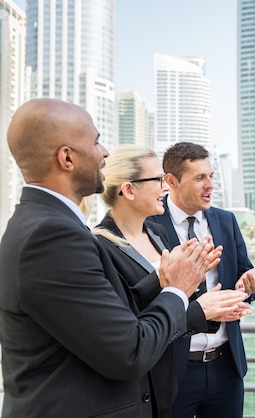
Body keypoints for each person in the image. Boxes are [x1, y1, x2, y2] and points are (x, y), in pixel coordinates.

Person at [0, 99, 213, 417]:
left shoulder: (47, 224)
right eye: (96, 140)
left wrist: (163, 279)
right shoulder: (51, 236)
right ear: (67, 158)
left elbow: (101, 316)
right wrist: (177, 289)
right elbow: (130, 351)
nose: (105, 152)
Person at [92, 145, 252, 417]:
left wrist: (217, 296)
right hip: (159, 375)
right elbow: (132, 318)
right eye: (157, 180)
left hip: (217, 365)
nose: (163, 189)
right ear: (129, 190)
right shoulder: (99, 246)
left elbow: (158, 296)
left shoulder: (155, 234)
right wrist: (197, 307)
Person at [148, 141, 255, 418]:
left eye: (211, 176)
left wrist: (247, 285)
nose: (210, 185)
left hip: (226, 367)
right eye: (200, 178)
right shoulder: (149, 224)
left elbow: (242, 274)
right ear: (171, 181)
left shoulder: (226, 221)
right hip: (172, 370)